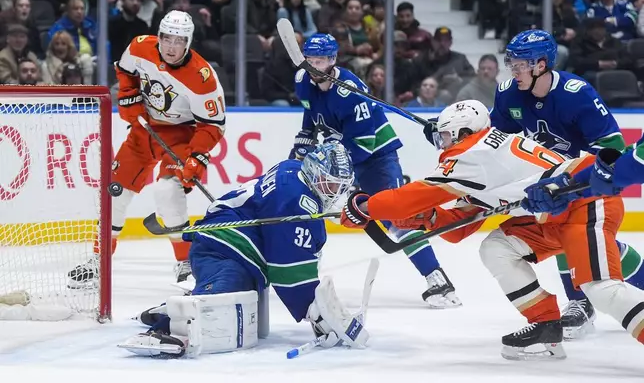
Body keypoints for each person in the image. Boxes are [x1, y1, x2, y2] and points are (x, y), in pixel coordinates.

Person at [341, 100, 644, 360]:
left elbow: (410, 197)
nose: (441, 143)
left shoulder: (473, 153)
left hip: (585, 202)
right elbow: (461, 227)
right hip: (555, 215)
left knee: (601, 290)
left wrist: (366, 208)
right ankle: (545, 324)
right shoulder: (489, 156)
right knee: (497, 247)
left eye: (445, 135)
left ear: (463, 132)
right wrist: (429, 219)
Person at [436, 28, 643, 340]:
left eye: (519, 65)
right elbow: (493, 141)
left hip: (582, 185)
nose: (512, 71)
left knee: (574, 234)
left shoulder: (577, 94)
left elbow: (611, 148)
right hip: (545, 179)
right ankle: (579, 302)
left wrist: (576, 182)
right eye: (512, 63)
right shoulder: (508, 93)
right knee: (584, 243)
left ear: (542, 64)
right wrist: (460, 135)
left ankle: (578, 303)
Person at [119, 142, 369, 358]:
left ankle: (177, 306)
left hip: (231, 241)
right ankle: (163, 329)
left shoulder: (292, 169)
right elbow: (287, 269)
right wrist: (316, 314)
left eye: (339, 187)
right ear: (315, 170)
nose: (334, 192)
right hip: (222, 245)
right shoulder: (296, 201)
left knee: (244, 307)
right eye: (330, 183)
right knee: (230, 291)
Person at [289, 33, 462, 308]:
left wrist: (334, 163)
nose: (312, 65)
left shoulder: (350, 92)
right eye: (309, 59)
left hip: (375, 155)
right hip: (342, 152)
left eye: (319, 60)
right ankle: (303, 272)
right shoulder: (302, 81)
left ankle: (437, 278)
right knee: (305, 200)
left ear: (332, 61)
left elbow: (364, 142)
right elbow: (312, 110)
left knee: (399, 215)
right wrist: (306, 136)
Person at [67, 10, 226, 287]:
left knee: (168, 191)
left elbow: (213, 125)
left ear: (188, 42)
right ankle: (99, 261)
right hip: (143, 131)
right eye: (167, 38)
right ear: (159, 37)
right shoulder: (140, 46)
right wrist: (128, 95)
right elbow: (125, 71)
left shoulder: (203, 77)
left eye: (179, 41)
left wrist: (197, 156)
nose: (171, 46)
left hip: (180, 135)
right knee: (114, 193)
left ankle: (185, 262)